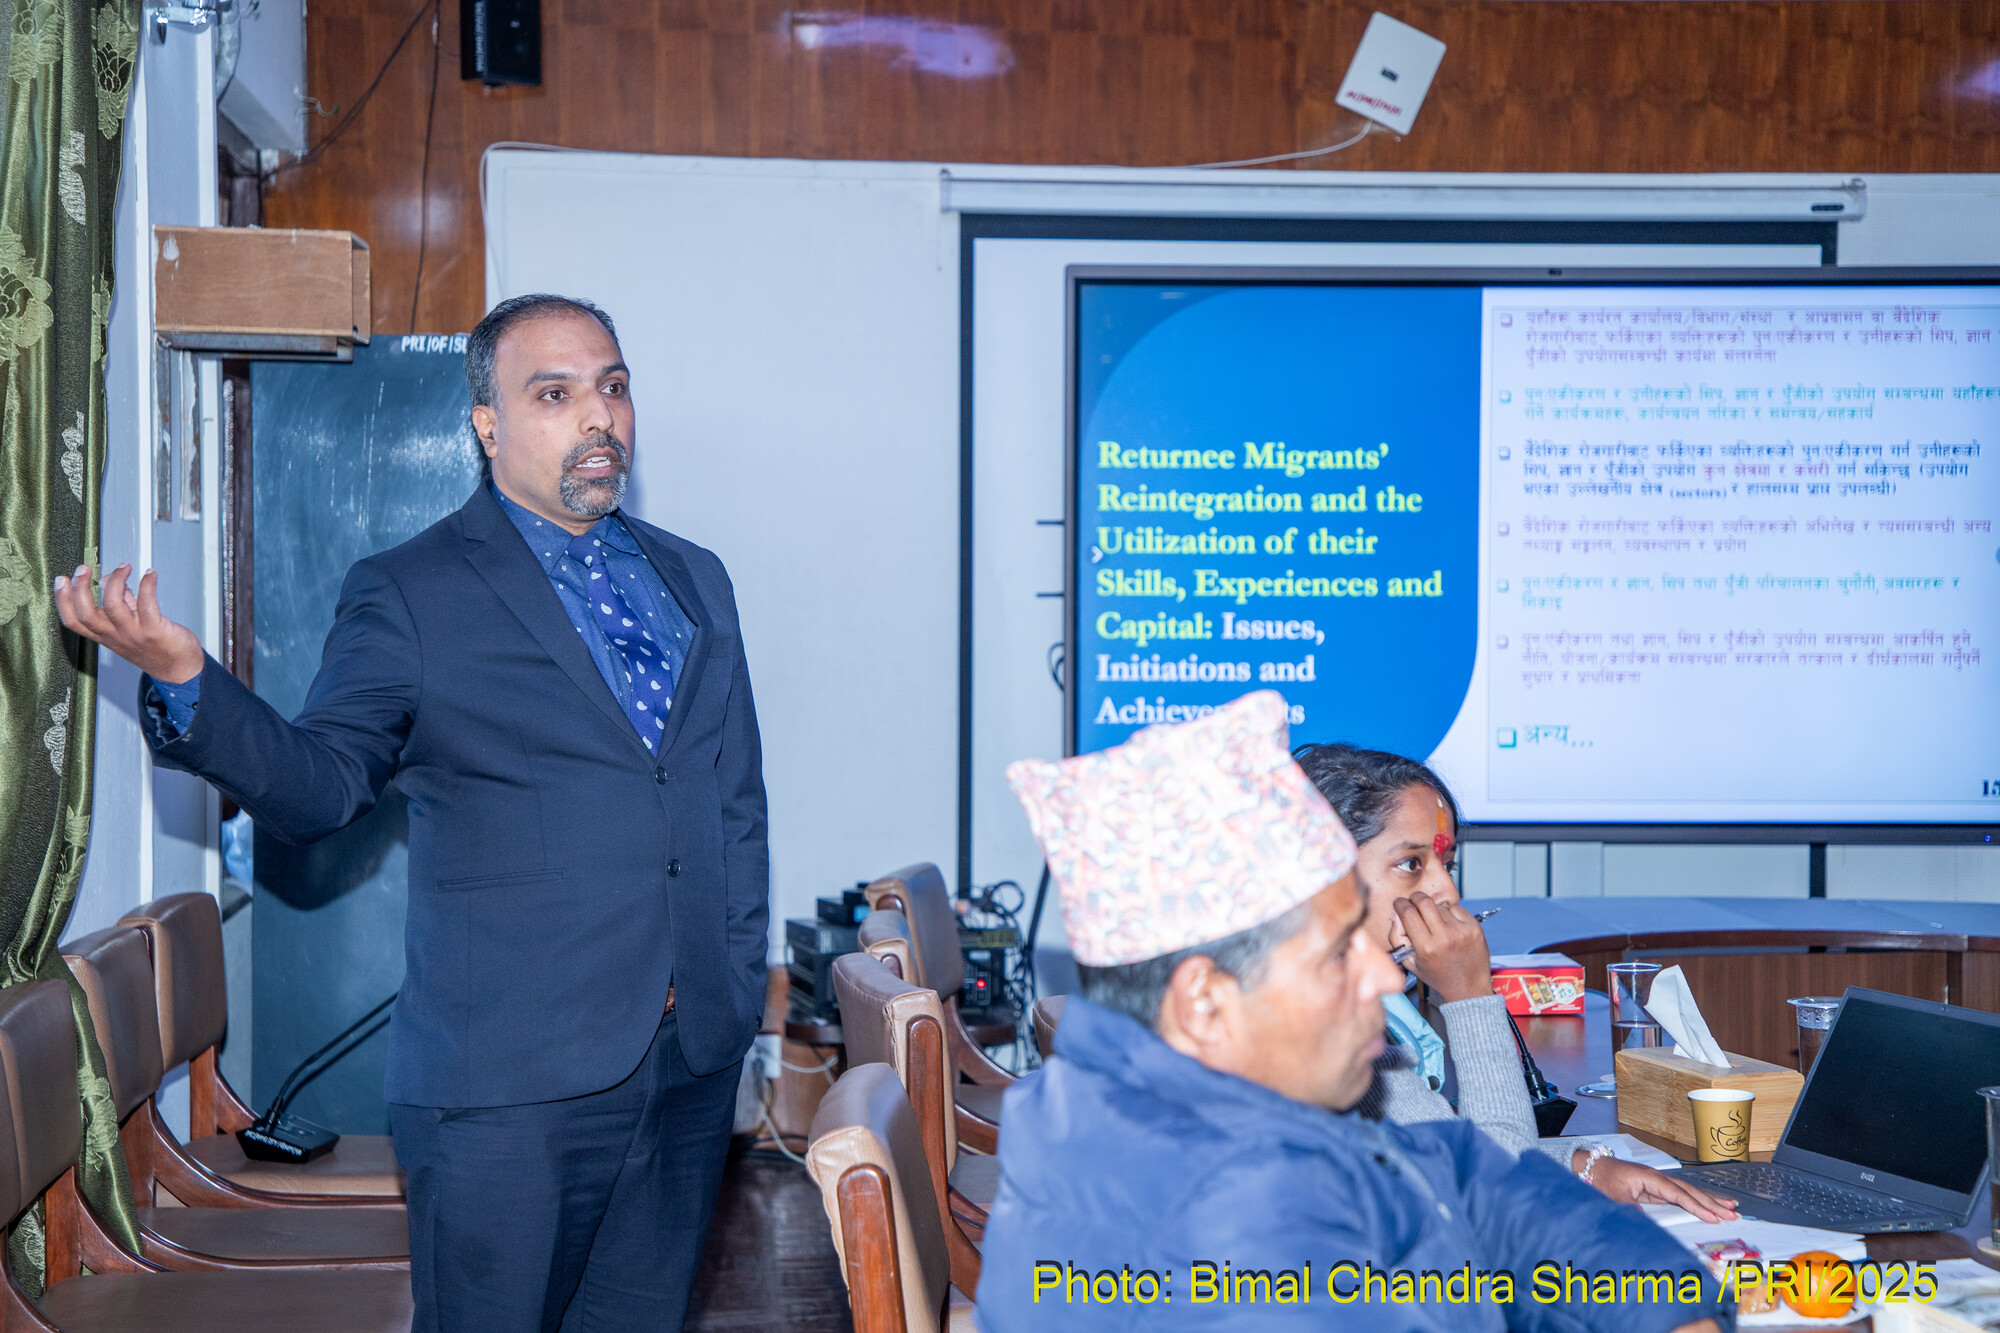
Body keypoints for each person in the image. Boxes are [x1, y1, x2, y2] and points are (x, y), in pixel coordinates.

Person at [53, 294, 769, 1333]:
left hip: (687, 1061)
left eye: (612, 387)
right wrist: (185, 679)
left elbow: (732, 802)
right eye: (554, 394)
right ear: (488, 425)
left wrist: (735, 986)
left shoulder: (693, 578)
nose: (597, 416)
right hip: (508, 1087)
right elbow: (320, 786)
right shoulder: (411, 591)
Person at [975, 691, 1729, 1331]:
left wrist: (1670, 1307)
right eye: (1338, 953)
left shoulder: (1240, 1113)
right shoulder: (1230, 1231)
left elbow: (1468, 1178)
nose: (1379, 972)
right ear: (1205, 1002)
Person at [1294, 743, 1736, 1223]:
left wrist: (1583, 1167)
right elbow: (1497, 1191)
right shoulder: (1319, 1037)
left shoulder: (1337, 1015)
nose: (1449, 892)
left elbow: (1441, 1152)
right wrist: (1469, 996)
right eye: (1411, 864)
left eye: (1448, 865)